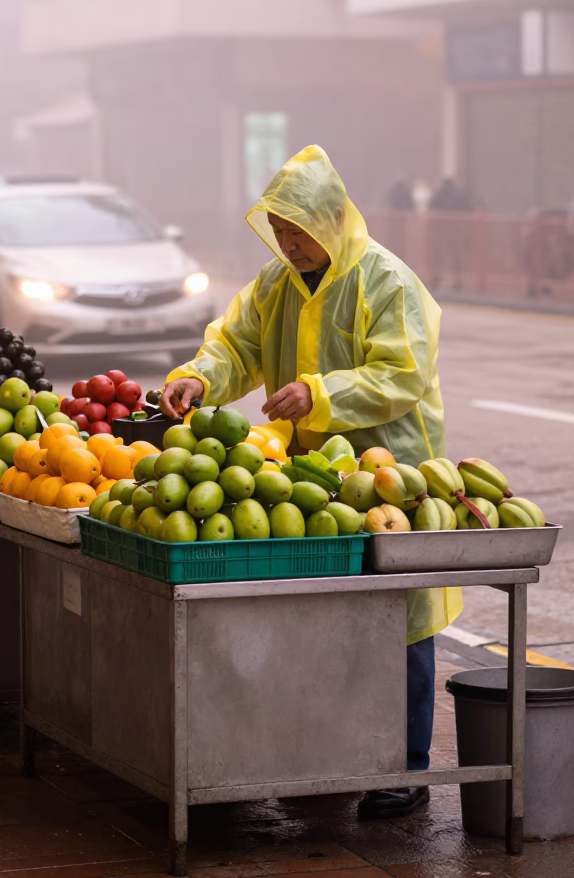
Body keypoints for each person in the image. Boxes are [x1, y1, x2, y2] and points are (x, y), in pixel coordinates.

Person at [161, 146, 462, 819]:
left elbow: (401, 373)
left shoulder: (386, 281)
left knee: (398, 618)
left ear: (332, 221)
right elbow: (233, 343)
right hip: (304, 481)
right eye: (279, 230)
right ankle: (321, 755)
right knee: (318, 617)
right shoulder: (275, 284)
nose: (288, 243)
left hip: (388, 474)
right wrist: (199, 375)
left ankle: (405, 768)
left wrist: (316, 395)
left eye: (298, 230)